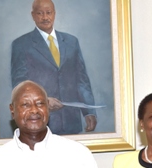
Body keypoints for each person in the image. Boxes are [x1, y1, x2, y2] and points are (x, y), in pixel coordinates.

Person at [11, 0, 97, 135]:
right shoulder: (21, 45)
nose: (45, 17)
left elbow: (82, 81)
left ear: (54, 14)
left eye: (48, 12)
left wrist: (89, 111)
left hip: (71, 121)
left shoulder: (72, 42)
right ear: (33, 15)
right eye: (40, 13)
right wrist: (43, 100)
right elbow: (19, 86)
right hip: (41, 122)